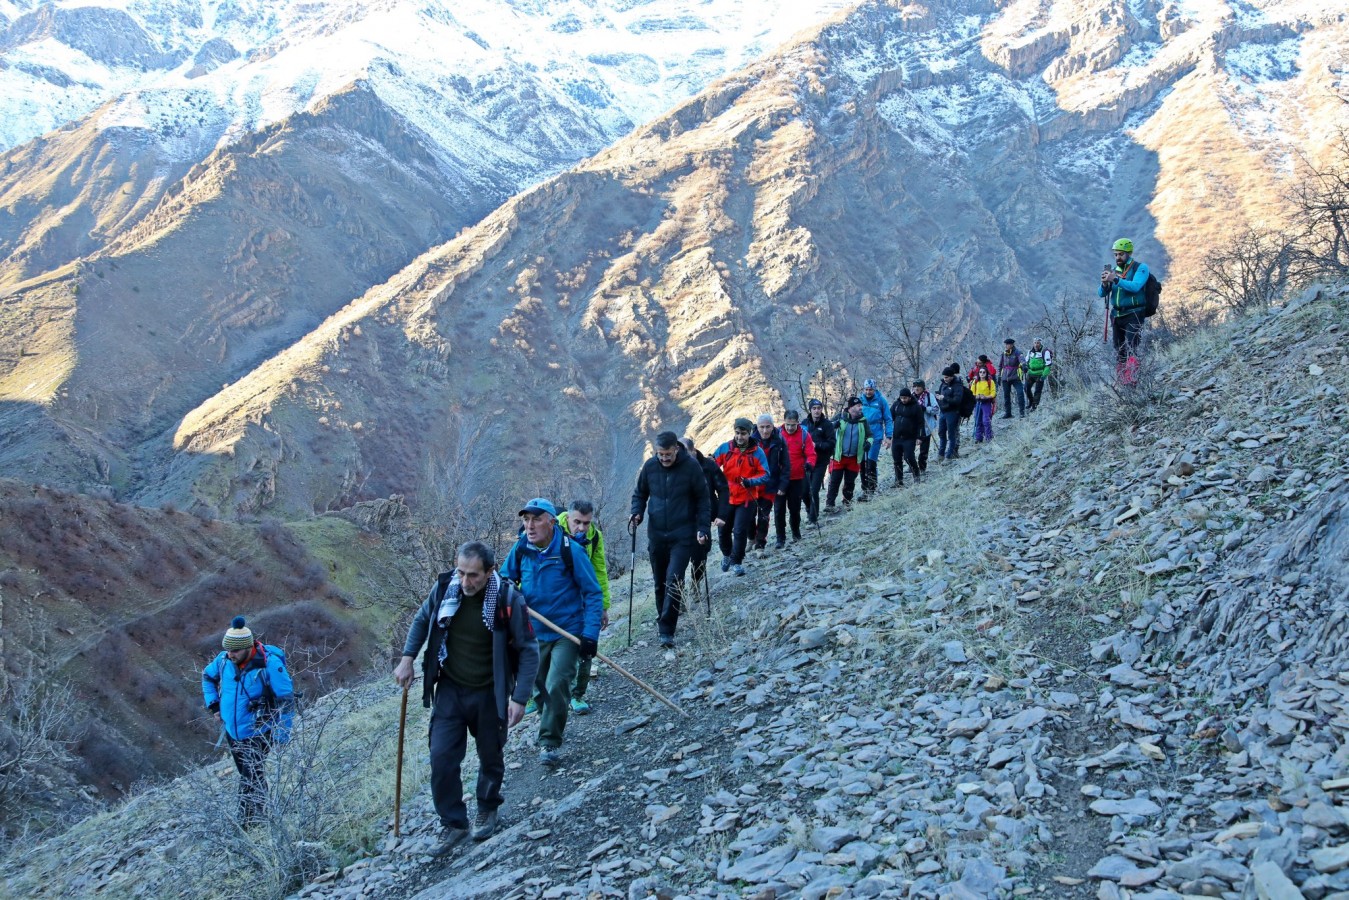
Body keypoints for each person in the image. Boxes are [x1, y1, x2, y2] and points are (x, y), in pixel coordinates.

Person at [394, 543, 539, 845]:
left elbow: (528, 650)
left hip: (490, 692)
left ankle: (487, 807)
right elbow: (423, 620)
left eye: (473, 575)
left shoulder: (507, 599)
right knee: (442, 756)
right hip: (451, 688)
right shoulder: (445, 590)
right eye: (461, 572)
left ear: (490, 571)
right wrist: (407, 658)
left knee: (490, 756)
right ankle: (453, 821)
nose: (465, 581)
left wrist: (520, 698)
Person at [501, 498, 603, 768]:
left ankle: (549, 742)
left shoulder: (571, 551)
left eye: (535, 520)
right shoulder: (521, 547)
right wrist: (510, 589)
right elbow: (504, 578)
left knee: (558, 684)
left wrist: (590, 635)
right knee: (541, 688)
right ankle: (550, 718)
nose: (530, 526)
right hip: (533, 633)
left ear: (550, 521)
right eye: (526, 520)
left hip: (566, 631)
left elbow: (593, 592)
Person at [202, 616, 295, 828]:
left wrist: (282, 735)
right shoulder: (223, 660)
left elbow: (287, 701)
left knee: (249, 778)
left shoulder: (270, 664)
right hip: (233, 732)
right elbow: (207, 678)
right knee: (251, 774)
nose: (230, 654)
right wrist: (214, 706)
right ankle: (262, 812)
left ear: (247, 647)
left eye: (234, 650)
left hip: (259, 731)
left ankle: (246, 824)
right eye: (228, 649)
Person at [629, 432, 711, 648]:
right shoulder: (650, 467)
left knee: (674, 580)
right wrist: (637, 513)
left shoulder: (691, 467)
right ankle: (662, 617)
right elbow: (640, 494)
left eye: (667, 454)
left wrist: (703, 527)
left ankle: (667, 630)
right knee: (659, 583)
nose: (663, 458)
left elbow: (703, 498)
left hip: (683, 533)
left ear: (676, 448)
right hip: (656, 533)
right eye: (660, 454)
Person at [557, 501, 609, 714]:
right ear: (568, 517)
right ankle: (538, 695)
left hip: (583, 599)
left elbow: (599, 569)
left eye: (586, 523)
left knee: (587, 647)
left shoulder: (594, 537)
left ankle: (577, 696)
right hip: (556, 600)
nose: (581, 528)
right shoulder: (551, 531)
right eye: (577, 522)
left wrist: (603, 606)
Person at [712, 418, 771, 577]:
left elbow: (766, 474)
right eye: (737, 433)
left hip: (747, 498)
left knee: (739, 531)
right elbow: (713, 465)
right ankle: (726, 554)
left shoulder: (757, 452)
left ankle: (737, 562)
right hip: (727, 498)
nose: (739, 437)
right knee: (723, 531)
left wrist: (751, 481)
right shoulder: (725, 448)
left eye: (743, 433)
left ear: (750, 433)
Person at [681, 437, 730, 597]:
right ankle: (678, 595)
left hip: (704, 515)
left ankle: (696, 582)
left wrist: (722, 514)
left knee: (701, 552)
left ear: (693, 451)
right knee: (679, 556)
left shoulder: (709, 465)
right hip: (681, 518)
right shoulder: (674, 467)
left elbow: (723, 489)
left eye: (685, 452)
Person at [1100, 238, 1150, 381]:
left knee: (1131, 348)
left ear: (1128, 253)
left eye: (1121, 254)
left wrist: (1115, 280)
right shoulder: (1114, 271)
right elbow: (1101, 293)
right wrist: (1104, 284)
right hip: (1117, 315)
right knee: (1119, 350)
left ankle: (1132, 381)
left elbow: (1135, 286)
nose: (1118, 257)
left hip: (1134, 313)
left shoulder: (1140, 268)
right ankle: (1122, 381)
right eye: (1116, 254)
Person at [774, 410, 817, 545]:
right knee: (779, 510)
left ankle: (796, 533)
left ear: (798, 422)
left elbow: (811, 454)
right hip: (779, 479)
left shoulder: (804, 435)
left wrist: (810, 464)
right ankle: (780, 538)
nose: (790, 428)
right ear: (784, 422)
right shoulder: (776, 434)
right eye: (788, 424)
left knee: (795, 508)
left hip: (797, 477)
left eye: (793, 425)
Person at [825, 396, 869, 512]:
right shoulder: (840, 417)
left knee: (850, 482)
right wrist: (834, 426)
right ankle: (830, 504)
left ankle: (847, 502)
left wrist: (868, 443)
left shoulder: (863, 421)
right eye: (858, 406)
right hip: (838, 456)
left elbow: (870, 436)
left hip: (854, 457)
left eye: (861, 406)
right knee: (834, 481)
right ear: (850, 408)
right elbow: (827, 427)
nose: (860, 408)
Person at [753, 414, 788, 550]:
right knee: (750, 516)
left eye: (768, 427)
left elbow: (786, 464)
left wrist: (783, 485)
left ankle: (760, 544)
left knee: (763, 516)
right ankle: (752, 537)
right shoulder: (751, 441)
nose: (765, 430)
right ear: (757, 427)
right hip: (753, 485)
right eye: (762, 427)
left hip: (770, 485)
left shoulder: (779, 440)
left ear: (773, 426)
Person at [858, 379, 892, 499]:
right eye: (866, 389)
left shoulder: (881, 401)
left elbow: (888, 419)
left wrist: (889, 436)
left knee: (871, 462)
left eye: (870, 389)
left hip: (875, 435)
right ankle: (864, 489)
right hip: (861, 435)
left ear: (875, 389)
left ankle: (871, 489)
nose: (868, 392)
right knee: (861, 463)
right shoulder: (860, 400)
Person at [803, 399, 835, 523]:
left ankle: (813, 518)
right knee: (805, 491)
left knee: (814, 489)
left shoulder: (827, 424)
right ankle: (809, 510)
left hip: (821, 461)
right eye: (814, 408)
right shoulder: (805, 424)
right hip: (806, 462)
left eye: (819, 408)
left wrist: (816, 445)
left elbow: (832, 443)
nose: (817, 411)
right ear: (810, 410)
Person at [889, 388, 924, 486]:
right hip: (896, 438)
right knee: (896, 459)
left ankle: (916, 476)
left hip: (909, 438)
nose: (903, 400)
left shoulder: (916, 406)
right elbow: (889, 418)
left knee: (909, 458)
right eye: (901, 398)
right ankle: (898, 481)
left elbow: (921, 423)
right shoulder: (896, 405)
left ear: (909, 397)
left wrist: (920, 437)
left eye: (905, 398)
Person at [935, 365, 964, 461]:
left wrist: (945, 398)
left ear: (952, 376)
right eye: (944, 377)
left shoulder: (957, 385)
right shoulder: (943, 384)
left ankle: (949, 455)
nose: (945, 379)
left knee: (951, 434)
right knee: (941, 433)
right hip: (943, 411)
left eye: (947, 377)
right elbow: (940, 393)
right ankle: (941, 454)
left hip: (952, 412)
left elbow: (957, 400)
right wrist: (938, 397)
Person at [911, 380, 938, 474]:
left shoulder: (929, 396)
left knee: (924, 449)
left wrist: (926, 408)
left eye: (918, 386)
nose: (916, 388)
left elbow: (936, 409)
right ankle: (912, 466)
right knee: (910, 448)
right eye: (915, 386)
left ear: (923, 387)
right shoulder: (911, 397)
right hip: (913, 427)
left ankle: (922, 467)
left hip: (926, 426)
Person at [997, 338, 1027, 419]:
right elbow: (1000, 365)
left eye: (1008, 344)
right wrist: (999, 376)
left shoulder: (1017, 352)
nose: (1007, 346)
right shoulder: (1003, 354)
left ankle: (1022, 412)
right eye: (1006, 344)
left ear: (1012, 344)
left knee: (1020, 393)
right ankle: (1008, 413)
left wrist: (1024, 365)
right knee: (1006, 396)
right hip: (1005, 378)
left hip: (1015, 377)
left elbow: (1022, 360)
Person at [1025, 339, 1052, 411]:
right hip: (1030, 373)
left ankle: (1035, 406)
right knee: (1026, 388)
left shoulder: (1045, 352)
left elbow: (1048, 365)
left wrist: (1044, 375)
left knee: (1037, 391)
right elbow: (1026, 362)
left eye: (1038, 343)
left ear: (1040, 344)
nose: (1036, 344)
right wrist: (1024, 367)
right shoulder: (1030, 352)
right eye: (1035, 343)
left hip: (1040, 374)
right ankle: (1031, 402)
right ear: (1033, 343)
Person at [970, 366, 997, 443]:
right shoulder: (975, 381)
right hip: (978, 403)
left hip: (986, 403)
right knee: (978, 420)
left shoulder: (990, 382)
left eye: (984, 372)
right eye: (980, 372)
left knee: (986, 420)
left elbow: (993, 392)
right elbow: (971, 392)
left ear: (986, 373)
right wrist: (976, 396)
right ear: (978, 373)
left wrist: (986, 397)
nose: (982, 374)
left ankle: (989, 437)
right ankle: (978, 438)